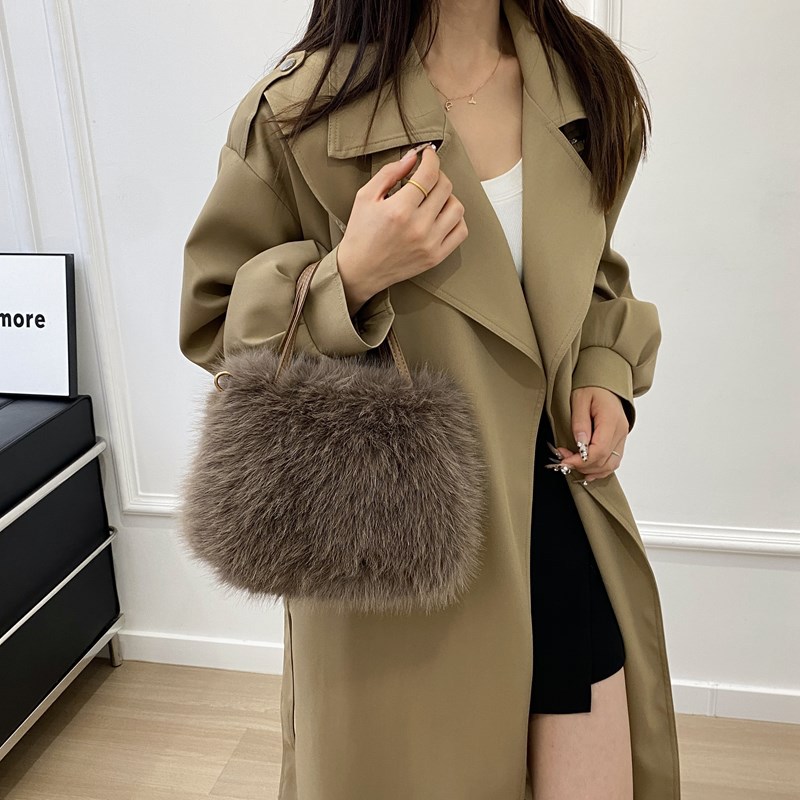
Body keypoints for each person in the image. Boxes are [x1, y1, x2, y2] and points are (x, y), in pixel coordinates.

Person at [178, 0, 680, 798]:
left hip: (560, 514)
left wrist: (604, 370)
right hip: (401, 550)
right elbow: (215, 326)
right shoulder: (299, 113)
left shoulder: (585, 81)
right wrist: (349, 279)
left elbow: (593, 275)